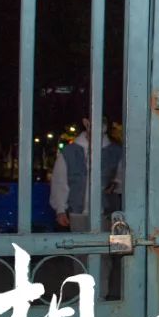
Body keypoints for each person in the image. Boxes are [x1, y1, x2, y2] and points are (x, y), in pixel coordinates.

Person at [49, 114, 124, 297]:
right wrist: (60, 208)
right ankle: (85, 296)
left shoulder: (116, 151)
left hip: (106, 212)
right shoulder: (70, 152)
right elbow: (60, 181)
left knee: (104, 256)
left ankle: (100, 296)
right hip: (78, 213)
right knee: (81, 256)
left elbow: (123, 177)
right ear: (86, 124)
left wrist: (116, 183)